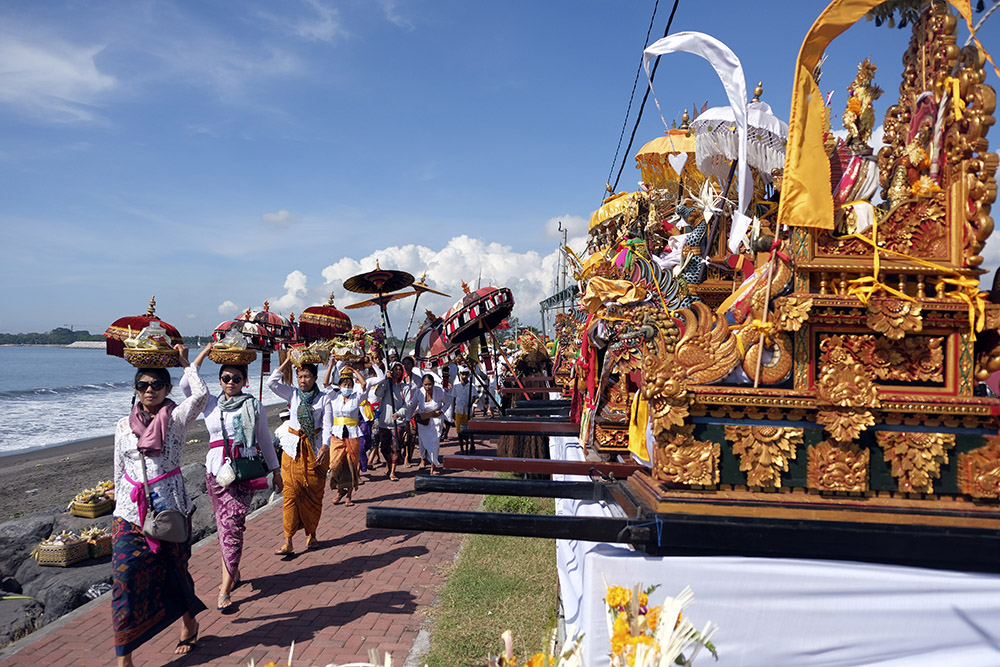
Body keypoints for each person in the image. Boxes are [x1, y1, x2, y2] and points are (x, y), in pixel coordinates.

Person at [111, 344, 210, 666]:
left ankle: (188, 622)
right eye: (142, 385)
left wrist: (186, 363)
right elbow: (118, 469)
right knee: (123, 579)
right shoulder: (123, 426)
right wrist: (116, 505)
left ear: (167, 389)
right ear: (135, 390)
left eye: (156, 385)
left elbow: (200, 396)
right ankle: (124, 657)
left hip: (170, 507)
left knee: (175, 569)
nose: (149, 390)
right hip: (129, 511)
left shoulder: (177, 418)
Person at [184, 353, 282, 612]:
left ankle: (224, 588)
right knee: (224, 526)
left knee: (231, 526)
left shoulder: (254, 406)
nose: (231, 382)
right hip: (215, 473)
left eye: (236, 378)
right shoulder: (210, 404)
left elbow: (264, 440)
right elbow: (186, 386)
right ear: (220, 379)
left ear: (244, 381)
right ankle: (233, 570)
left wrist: (276, 471)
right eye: (226, 377)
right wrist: (202, 354)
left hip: (243, 472)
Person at [268, 357, 331, 555]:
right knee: (291, 494)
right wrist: (288, 360)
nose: (303, 380)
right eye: (300, 376)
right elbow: (271, 382)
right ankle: (288, 541)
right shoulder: (292, 394)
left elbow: (328, 424)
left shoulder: (324, 398)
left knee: (313, 493)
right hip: (292, 449)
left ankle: (312, 534)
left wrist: (326, 446)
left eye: (307, 376)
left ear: (315, 378)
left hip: (314, 450)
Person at [322, 359, 384, 506]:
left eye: (349, 385)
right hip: (337, 434)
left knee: (351, 465)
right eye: (345, 385)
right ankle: (340, 490)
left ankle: (348, 495)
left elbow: (363, 384)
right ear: (340, 385)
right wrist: (331, 365)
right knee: (335, 464)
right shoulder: (334, 396)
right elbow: (325, 383)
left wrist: (354, 370)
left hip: (353, 434)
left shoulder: (357, 397)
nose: (347, 387)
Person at [398, 373, 451, 475]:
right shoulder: (419, 392)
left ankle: (433, 466)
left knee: (435, 443)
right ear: (422, 384)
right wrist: (408, 419)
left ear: (433, 384)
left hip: (436, 420)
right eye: (425, 384)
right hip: (423, 421)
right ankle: (423, 459)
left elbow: (448, 401)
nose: (428, 387)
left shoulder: (439, 391)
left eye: (430, 384)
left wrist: (442, 411)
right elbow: (412, 406)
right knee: (423, 443)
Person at [374, 361, 412, 481]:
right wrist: (385, 380)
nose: (398, 371)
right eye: (395, 369)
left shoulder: (404, 387)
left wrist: (400, 413)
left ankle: (393, 472)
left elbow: (408, 404)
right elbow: (377, 393)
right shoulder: (387, 385)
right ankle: (389, 464)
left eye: (400, 370)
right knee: (384, 448)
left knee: (395, 447)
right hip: (384, 422)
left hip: (397, 422)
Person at [453, 367, 479, 454]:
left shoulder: (471, 386)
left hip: (467, 410)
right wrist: (453, 411)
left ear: (468, 375)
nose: (464, 376)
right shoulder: (456, 386)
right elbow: (454, 398)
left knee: (469, 429)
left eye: (466, 374)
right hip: (459, 410)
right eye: (462, 374)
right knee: (460, 431)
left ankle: (472, 444)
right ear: (460, 375)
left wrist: (470, 403)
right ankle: (462, 448)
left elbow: (474, 397)